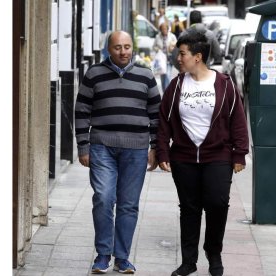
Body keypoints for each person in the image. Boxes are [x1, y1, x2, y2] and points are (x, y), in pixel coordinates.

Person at [155, 32, 249, 276]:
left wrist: (240, 153)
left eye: (182, 53)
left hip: (218, 155)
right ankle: (189, 261)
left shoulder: (224, 83)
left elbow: (238, 120)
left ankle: (213, 251)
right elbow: (164, 121)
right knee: (189, 208)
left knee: (217, 203)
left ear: (198, 57)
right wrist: (162, 151)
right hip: (184, 157)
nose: (178, 58)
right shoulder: (176, 85)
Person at [75, 30, 161, 274]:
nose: (123, 52)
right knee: (103, 198)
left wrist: (155, 147)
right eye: (117, 48)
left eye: (127, 47)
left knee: (128, 204)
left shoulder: (146, 75)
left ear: (132, 47)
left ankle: (122, 258)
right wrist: (83, 146)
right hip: (102, 146)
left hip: (136, 149)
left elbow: (156, 114)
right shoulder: (94, 74)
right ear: (107, 50)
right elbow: (81, 110)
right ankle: (103, 254)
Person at [153, 22, 177, 94]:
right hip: (161, 60)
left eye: (165, 29)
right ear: (160, 30)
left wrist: (172, 47)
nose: (164, 30)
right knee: (163, 77)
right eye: (162, 29)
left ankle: (168, 93)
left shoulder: (172, 36)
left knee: (167, 76)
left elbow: (176, 46)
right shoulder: (158, 37)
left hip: (169, 59)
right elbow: (154, 46)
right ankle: (165, 93)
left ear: (167, 29)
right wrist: (157, 49)